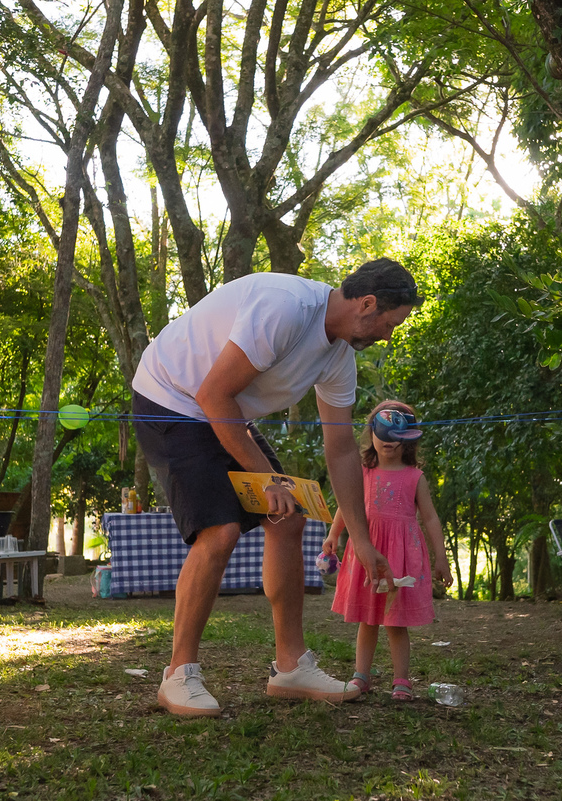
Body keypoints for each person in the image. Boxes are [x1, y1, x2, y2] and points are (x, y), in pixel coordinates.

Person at [130, 258, 421, 717]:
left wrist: (361, 542)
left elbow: (342, 450)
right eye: (391, 322)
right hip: (172, 398)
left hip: (226, 411)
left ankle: (290, 668)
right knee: (220, 531)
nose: (388, 335)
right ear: (368, 304)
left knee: (288, 520)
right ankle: (178, 674)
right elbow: (212, 395)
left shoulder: (338, 356)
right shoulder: (286, 308)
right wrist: (270, 479)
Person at [322, 401, 453, 700]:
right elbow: (347, 506)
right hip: (366, 554)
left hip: (400, 558)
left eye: (396, 438)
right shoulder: (361, 472)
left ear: (408, 440)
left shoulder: (414, 477)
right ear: (371, 434)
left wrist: (441, 558)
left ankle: (401, 681)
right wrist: (334, 534)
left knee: (396, 622)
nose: (389, 443)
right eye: (383, 436)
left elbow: (431, 518)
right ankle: (361, 676)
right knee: (367, 619)